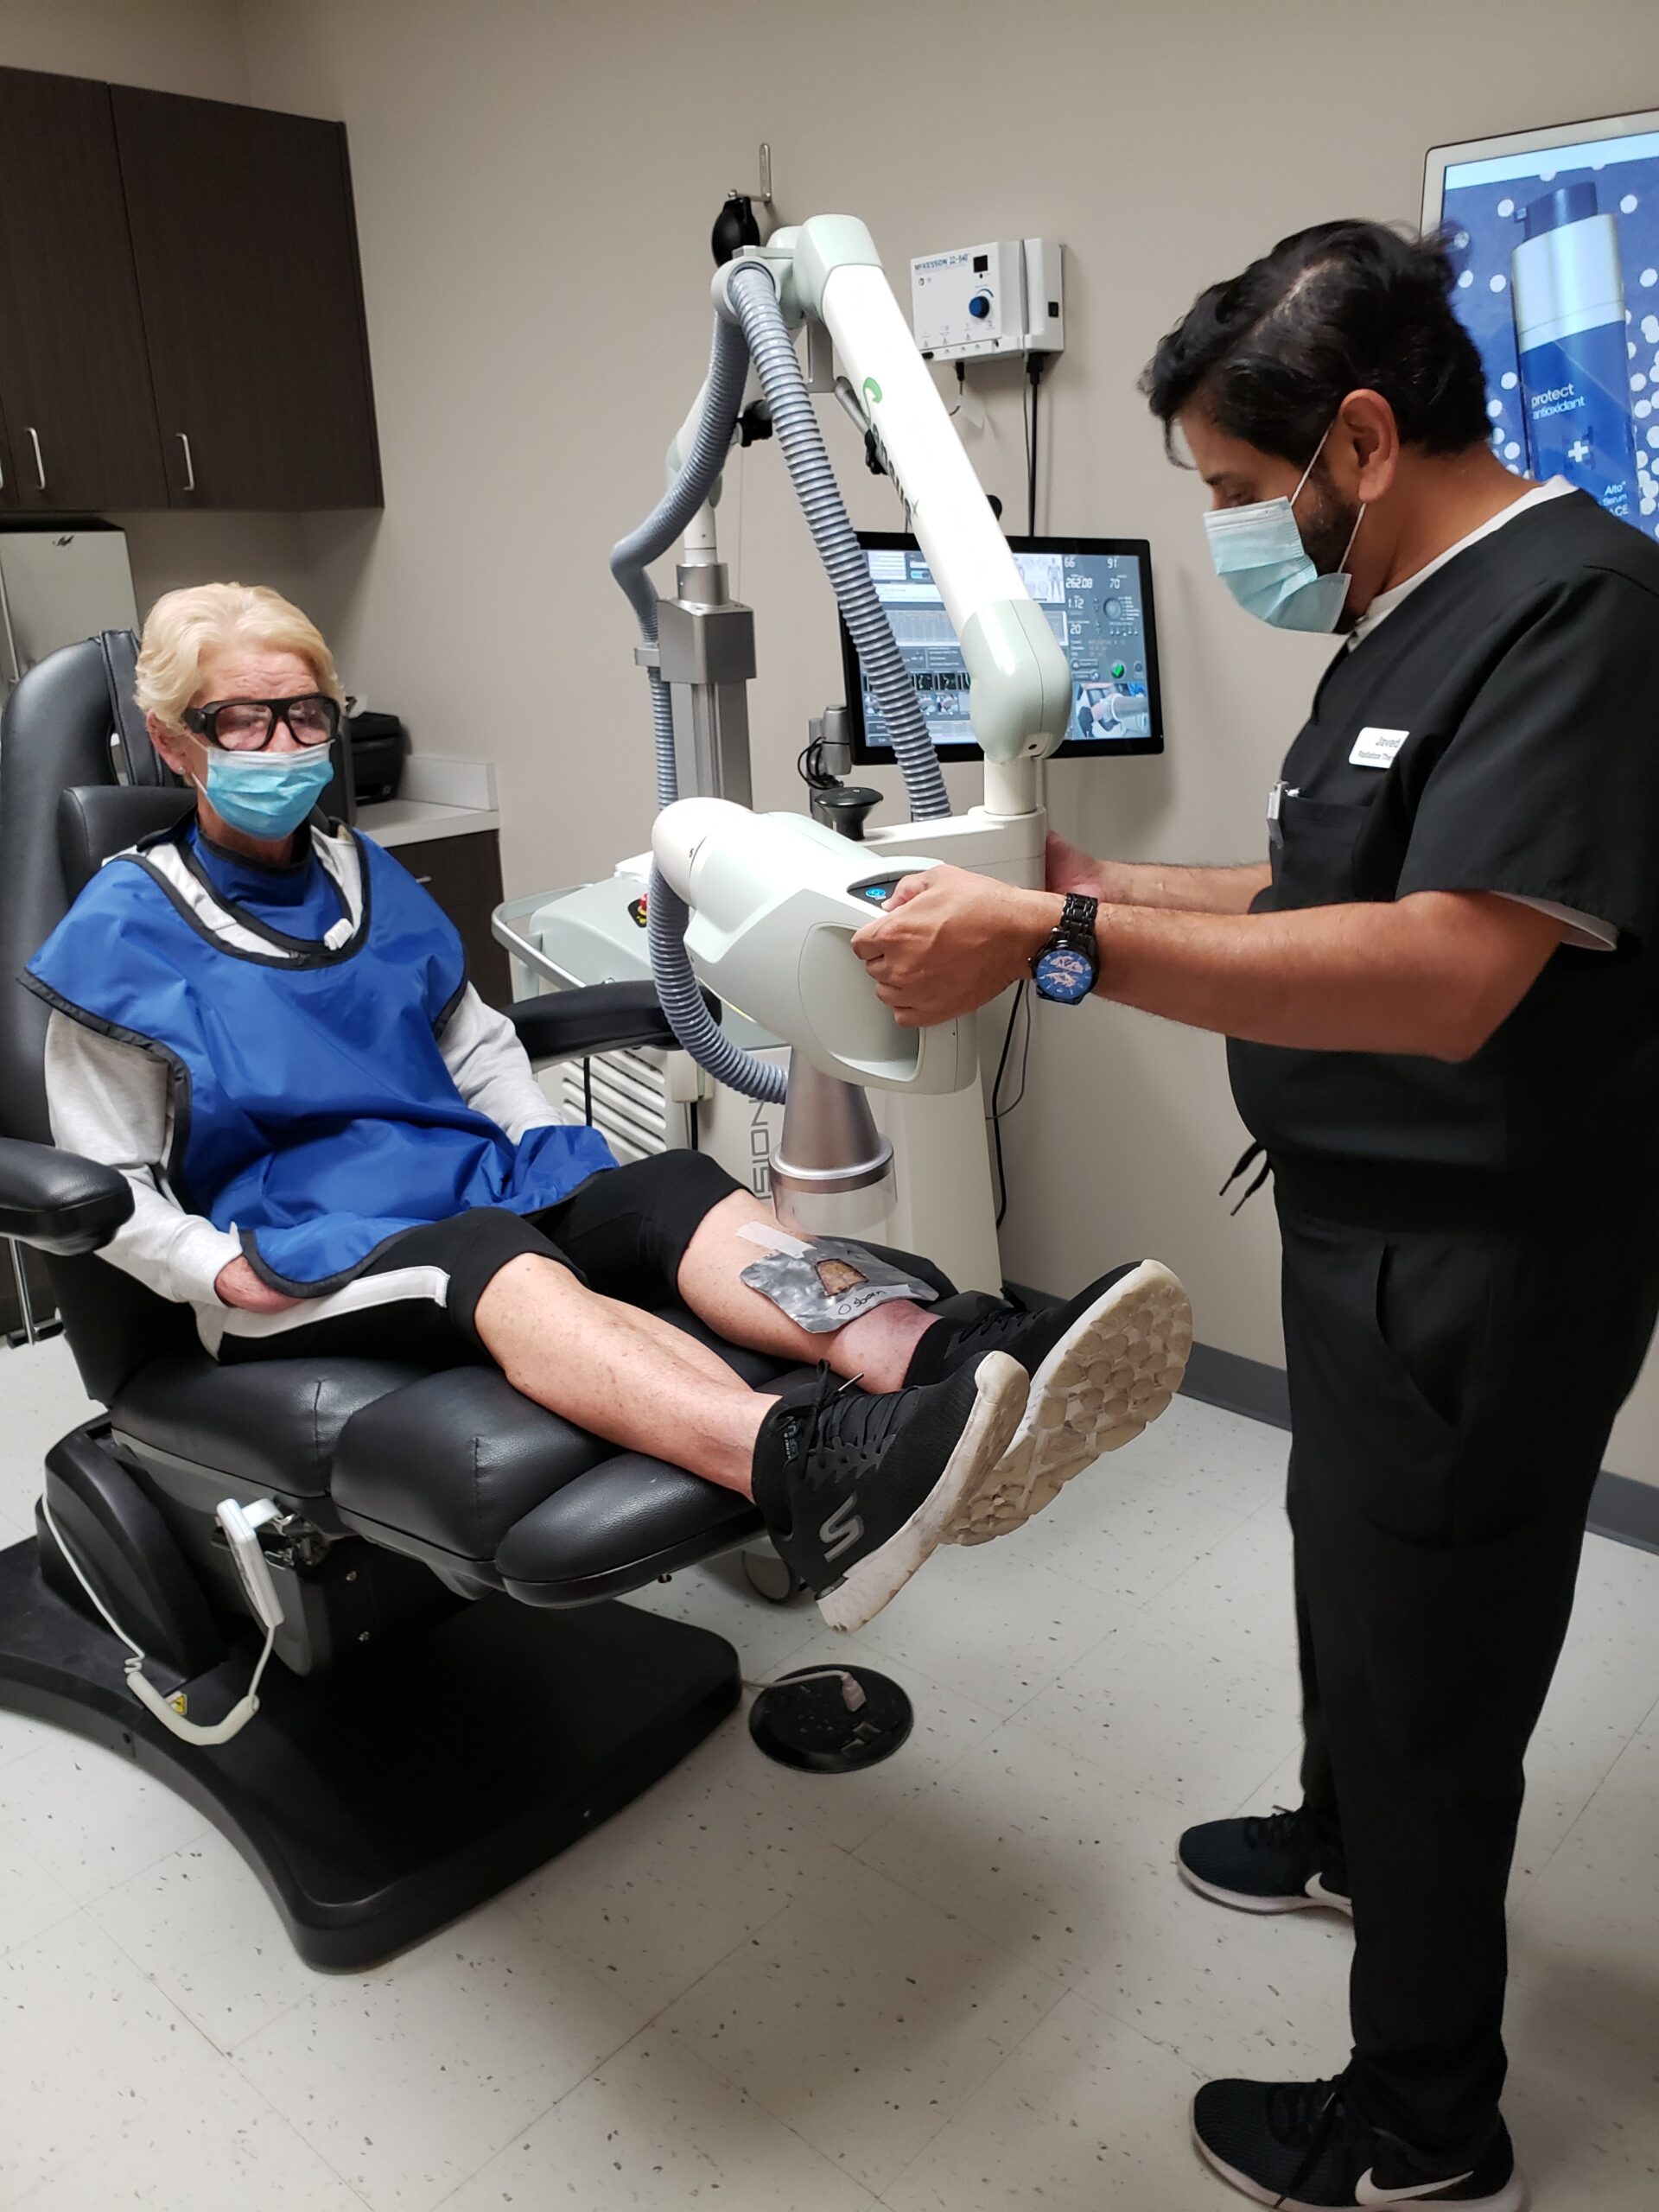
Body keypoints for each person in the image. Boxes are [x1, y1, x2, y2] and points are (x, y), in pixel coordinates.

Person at [851, 220, 1659, 2209]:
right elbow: (1321, 896)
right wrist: (1085, 878)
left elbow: (1446, 969)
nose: (1229, 526)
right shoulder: (1396, 608)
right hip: (1362, 1227)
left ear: (1360, 440)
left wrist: (1055, 946)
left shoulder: (1584, 611)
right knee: (1347, 1577)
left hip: (1485, 1262)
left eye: (1234, 484)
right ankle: (1342, 1840)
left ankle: (1424, 2125)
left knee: (1436, 1669)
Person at [25, 582, 1192, 1637]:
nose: (284, 746)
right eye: (243, 721)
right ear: (175, 742)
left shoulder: (359, 873)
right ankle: (806, 1470)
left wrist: (541, 1143)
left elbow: (470, 1042)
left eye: (305, 715)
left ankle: (949, 1359)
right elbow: (109, 1182)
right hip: (301, 1254)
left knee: (668, 1185)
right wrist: (215, 1271)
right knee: (486, 1253)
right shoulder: (123, 932)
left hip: (463, 1188)